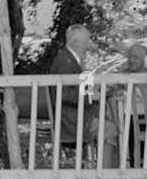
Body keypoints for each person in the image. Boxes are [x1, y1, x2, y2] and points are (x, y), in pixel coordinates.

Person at [49, 24, 118, 164]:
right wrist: (90, 96)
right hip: (69, 120)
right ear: (75, 42)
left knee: (114, 124)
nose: (88, 46)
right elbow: (63, 94)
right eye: (86, 42)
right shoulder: (64, 61)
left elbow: (78, 89)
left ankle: (109, 172)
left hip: (77, 115)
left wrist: (95, 86)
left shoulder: (71, 59)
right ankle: (104, 175)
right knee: (110, 129)